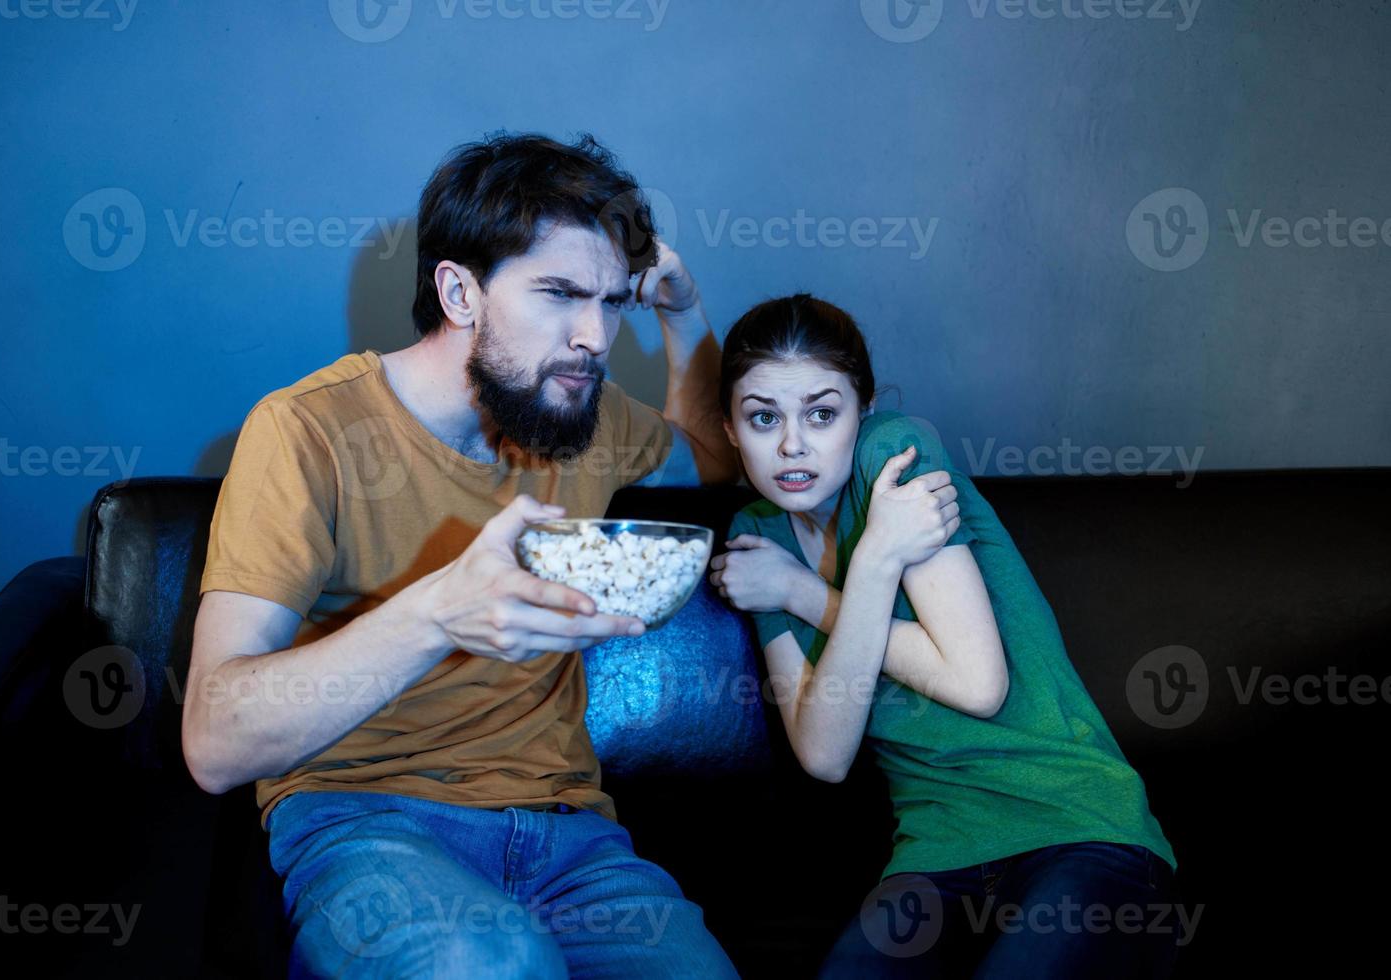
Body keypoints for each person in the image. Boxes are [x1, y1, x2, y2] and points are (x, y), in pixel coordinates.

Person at [182, 132, 741, 978]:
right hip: (368, 821)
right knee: (492, 965)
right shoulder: (308, 433)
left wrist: (682, 310)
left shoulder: (577, 411)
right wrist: (437, 611)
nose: (593, 336)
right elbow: (215, 741)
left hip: (572, 833)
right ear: (459, 291)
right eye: (558, 292)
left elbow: (715, 456)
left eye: (611, 300)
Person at [708, 294, 1182, 978]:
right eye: (762, 418)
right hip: (935, 857)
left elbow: (976, 683)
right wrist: (857, 571)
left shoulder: (892, 455)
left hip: (1076, 828)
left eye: (820, 413)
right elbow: (823, 753)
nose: (791, 445)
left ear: (862, 410)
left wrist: (804, 592)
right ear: (729, 428)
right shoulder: (759, 538)